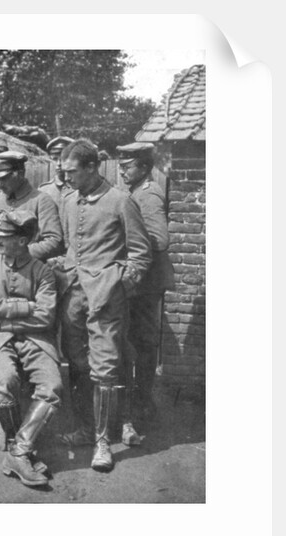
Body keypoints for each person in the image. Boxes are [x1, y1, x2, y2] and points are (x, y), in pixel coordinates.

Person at [55, 139, 152, 472]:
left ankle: (102, 443)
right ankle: (85, 428)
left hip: (107, 300)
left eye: (72, 172)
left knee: (106, 367)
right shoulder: (69, 201)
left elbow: (140, 256)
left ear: (92, 168)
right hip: (73, 298)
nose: (66, 179)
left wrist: (117, 287)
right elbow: (71, 246)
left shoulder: (120, 201)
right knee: (77, 363)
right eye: (63, 172)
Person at [0, 211, 63, 487]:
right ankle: (20, 451)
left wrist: (5, 317)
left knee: (53, 387)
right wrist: (25, 307)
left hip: (35, 339)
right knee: (5, 380)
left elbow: (46, 316)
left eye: (3, 237)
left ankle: (19, 451)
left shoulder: (42, 271)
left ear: (22, 240)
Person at [117, 142, 175, 439]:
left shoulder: (148, 194)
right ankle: (141, 400)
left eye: (127, 166)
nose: (121, 170)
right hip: (142, 281)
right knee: (139, 340)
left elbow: (159, 239)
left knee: (143, 341)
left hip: (145, 283)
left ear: (143, 166)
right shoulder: (136, 192)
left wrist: (130, 254)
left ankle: (143, 401)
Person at [0, 151, 63, 262]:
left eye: (4, 178)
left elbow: (54, 240)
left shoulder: (42, 200)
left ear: (20, 173)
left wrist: (20, 253)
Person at [38, 136, 75, 209]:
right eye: (55, 159)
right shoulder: (44, 190)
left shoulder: (80, 188)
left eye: (63, 159)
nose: (58, 164)